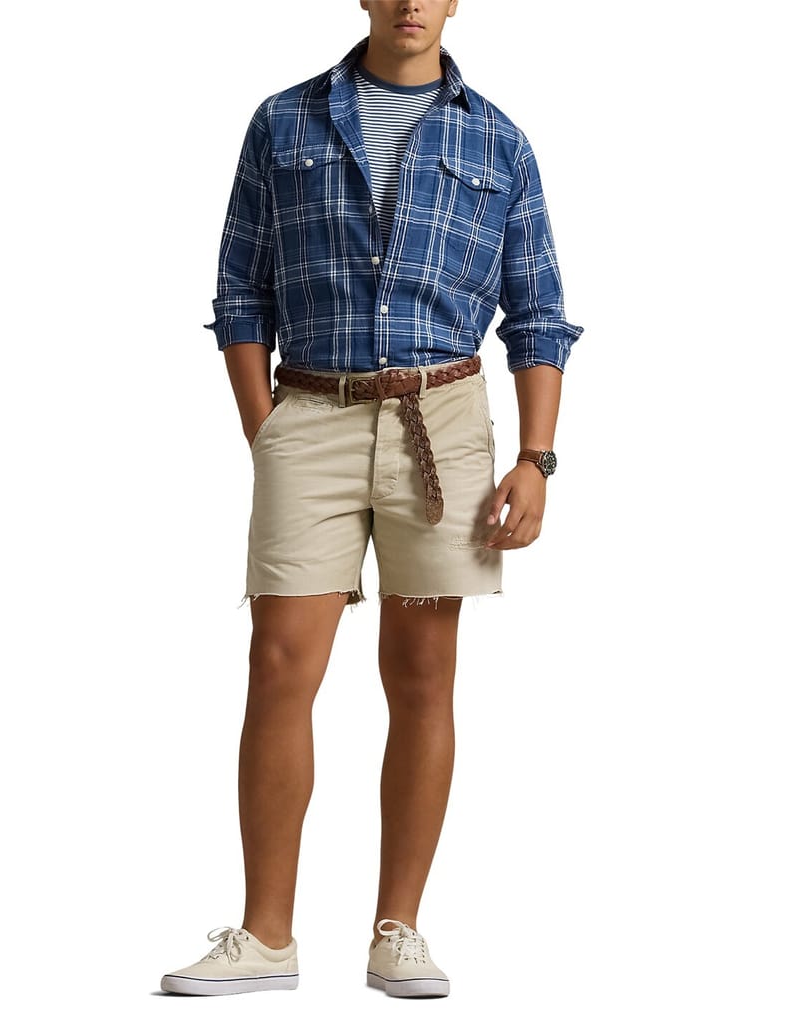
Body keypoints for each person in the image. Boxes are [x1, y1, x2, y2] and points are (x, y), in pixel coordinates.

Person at [161, 0, 583, 999]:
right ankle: (266, 935)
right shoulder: (283, 121)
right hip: (310, 410)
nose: (409, 2)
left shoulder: (499, 139)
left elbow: (538, 312)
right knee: (278, 660)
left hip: (444, 421)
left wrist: (536, 458)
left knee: (424, 671)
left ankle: (399, 930)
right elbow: (241, 290)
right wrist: (267, 429)